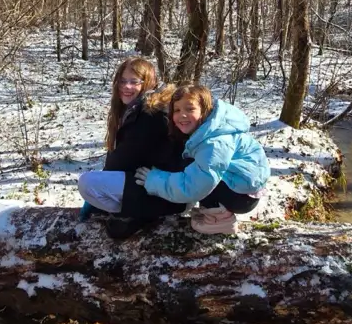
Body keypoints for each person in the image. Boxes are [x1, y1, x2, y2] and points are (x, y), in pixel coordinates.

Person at [135, 84, 270, 235]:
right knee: (187, 161)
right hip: (239, 186)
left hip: (241, 197)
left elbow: (195, 185)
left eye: (190, 109)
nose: (182, 115)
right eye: (177, 110)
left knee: (193, 167)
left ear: (204, 110)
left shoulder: (215, 142)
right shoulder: (211, 129)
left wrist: (154, 180)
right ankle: (215, 209)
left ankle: (220, 220)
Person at [77, 57, 185, 238]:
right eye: (123, 81)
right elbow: (124, 157)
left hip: (166, 192)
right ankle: (132, 212)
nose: (127, 87)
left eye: (134, 82)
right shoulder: (137, 109)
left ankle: (136, 215)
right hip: (154, 186)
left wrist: (95, 194)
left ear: (148, 82)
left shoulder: (151, 114)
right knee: (95, 182)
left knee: (87, 183)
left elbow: (125, 159)